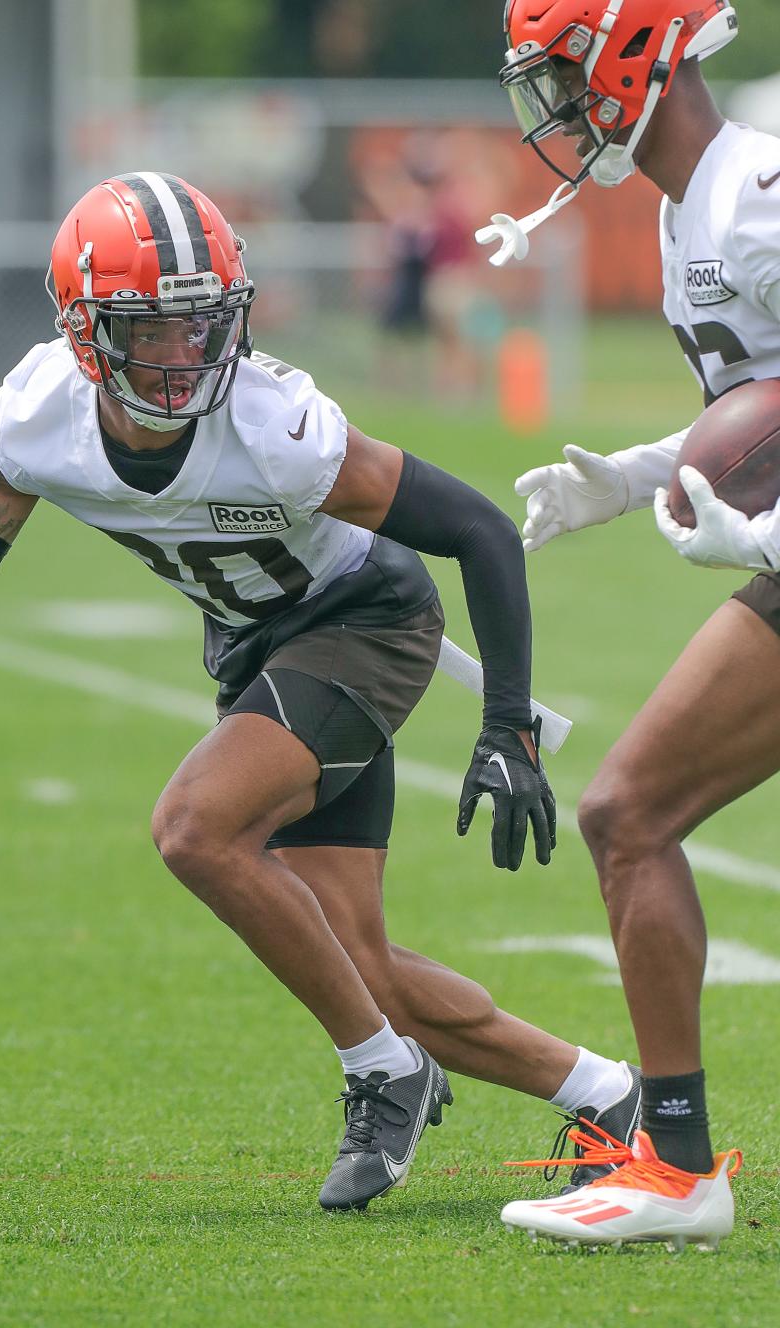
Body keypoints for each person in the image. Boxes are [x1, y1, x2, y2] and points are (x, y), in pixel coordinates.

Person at [0, 171, 640, 1212]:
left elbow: (476, 529)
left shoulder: (276, 423)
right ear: (84, 334)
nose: (186, 354)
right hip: (254, 648)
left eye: (204, 325)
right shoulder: (34, 415)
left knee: (197, 825)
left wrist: (509, 723)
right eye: (153, 328)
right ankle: (604, 1093)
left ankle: (385, 1070)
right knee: (353, 957)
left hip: (362, 623)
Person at [488, 0, 777, 1250]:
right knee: (629, 811)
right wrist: (628, 475)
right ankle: (674, 1165)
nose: (549, 105)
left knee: (627, 810)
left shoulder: (756, 187)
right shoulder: (686, 206)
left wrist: (765, 540)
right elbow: (751, 411)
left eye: (560, 73)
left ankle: (674, 1166)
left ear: (632, 54)